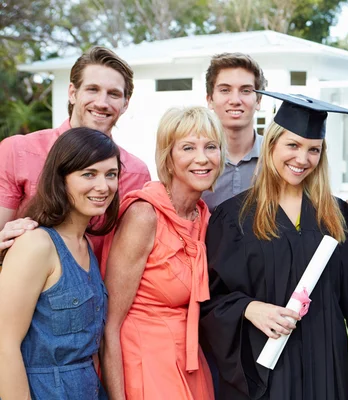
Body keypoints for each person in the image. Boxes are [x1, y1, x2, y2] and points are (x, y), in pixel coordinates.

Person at [201, 91, 348, 400]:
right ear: (272, 143)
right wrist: (248, 308)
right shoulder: (234, 217)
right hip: (264, 372)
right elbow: (208, 301)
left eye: (313, 149)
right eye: (293, 145)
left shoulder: (337, 215)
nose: (302, 159)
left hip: (324, 368)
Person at [101, 106, 224, 400]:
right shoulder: (145, 216)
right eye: (188, 148)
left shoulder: (204, 217)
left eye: (211, 147)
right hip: (146, 359)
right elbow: (110, 325)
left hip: (189, 359)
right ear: (168, 159)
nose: (202, 158)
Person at [0, 127, 121, 399]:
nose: (103, 186)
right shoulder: (36, 245)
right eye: (88, 174)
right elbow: (4, 346)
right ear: (61, 179)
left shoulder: (86, 245)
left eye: (110, 174)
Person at [0, 46, 150, 255]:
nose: (102, 103)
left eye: (114, 94)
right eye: (92, 89)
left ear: (125, 104)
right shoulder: (18, 151)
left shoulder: (136, 173)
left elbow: (130, 253)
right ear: (72, 93)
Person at [202, 52, 267, 211]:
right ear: (210, 99)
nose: (235, 101)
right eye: (225, 90)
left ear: (258, 101)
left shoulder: (276, 158)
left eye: (245, 91)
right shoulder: (194, 161)